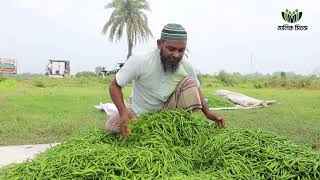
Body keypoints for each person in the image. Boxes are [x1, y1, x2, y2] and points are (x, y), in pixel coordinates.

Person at [107, 23, 225, 139]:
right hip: (137, 112)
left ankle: (177, 129)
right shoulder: (141, 60)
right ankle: (131, 114)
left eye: (181, 50)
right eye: (171, 49)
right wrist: (123, 114)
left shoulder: (186, 65)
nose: (176, 55)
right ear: (160, 44)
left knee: (189, 83)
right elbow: (114, 86)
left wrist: (208, 113)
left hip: (166, 111)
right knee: (111, 128)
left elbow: (197, 88)